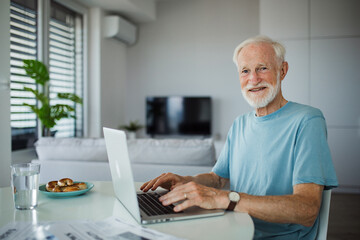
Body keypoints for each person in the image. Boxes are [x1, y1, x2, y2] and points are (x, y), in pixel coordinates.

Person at [141, 35, 338, 239]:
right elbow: (218, 179)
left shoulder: (307, 121)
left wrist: (226, 199)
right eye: (245, 71)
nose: (253, 79)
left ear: (283, 70)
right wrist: (186, 180)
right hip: (231, 229)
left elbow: (307, 210)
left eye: (262, 68)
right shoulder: (239, 124)